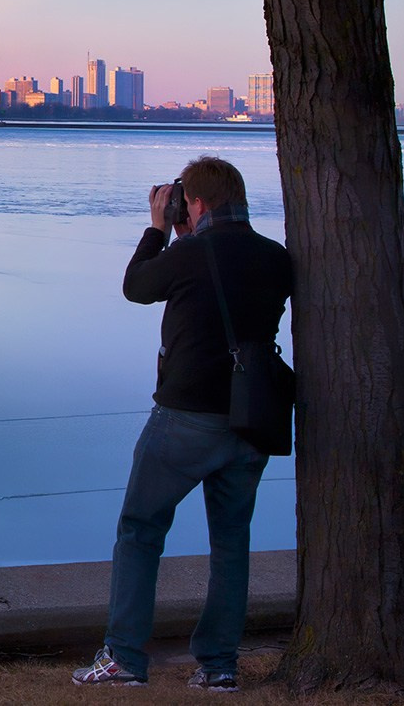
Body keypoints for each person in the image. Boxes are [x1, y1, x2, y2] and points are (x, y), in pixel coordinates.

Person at [74, 155, 294, 691]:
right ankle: (219, 666)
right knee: (231, 543)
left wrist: (156, 231)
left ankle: (124, 657)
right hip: (252, 418)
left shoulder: (188, 253)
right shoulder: (277, 257)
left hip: (185, 420)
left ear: (192, 203)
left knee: (140, 529)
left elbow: (137, 286)